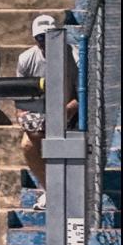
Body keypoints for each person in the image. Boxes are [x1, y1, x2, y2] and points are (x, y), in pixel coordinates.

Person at [14, 14, 78, 210]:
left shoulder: (74, 56)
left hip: (70, 113)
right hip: (39, 113)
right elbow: (20, 99)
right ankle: (51, 190)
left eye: (48, 36)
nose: (43, 42)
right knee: (27, 144)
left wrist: (65, 111)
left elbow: (83, 95)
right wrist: (23, 116)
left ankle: (70, 189)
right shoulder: (26, 59)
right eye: (39, 37)